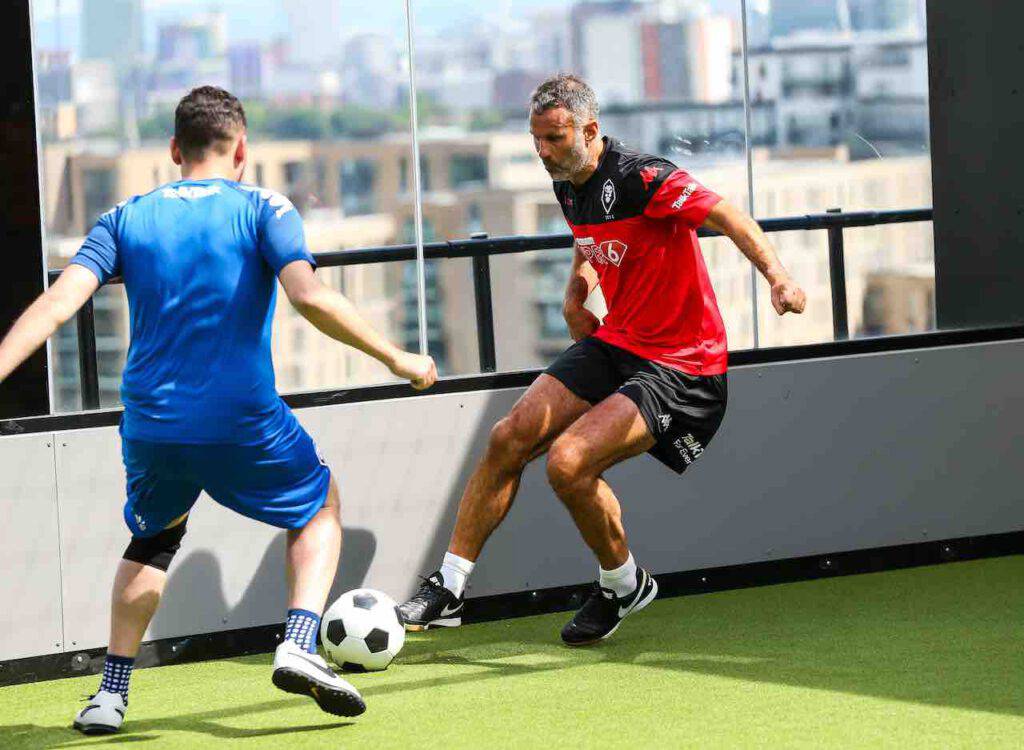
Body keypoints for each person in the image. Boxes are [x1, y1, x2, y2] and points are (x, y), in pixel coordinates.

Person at [0, 86, 437, 733]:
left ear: (175, 149)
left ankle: (111, 695)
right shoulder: (264, 206)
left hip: (151, 423)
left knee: (153, 540)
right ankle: (296, 641)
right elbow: (311, 298)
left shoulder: (125, 215)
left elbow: (60, 304)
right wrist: (399, 359)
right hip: (240, 419)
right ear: (242, 152)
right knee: (320, 505)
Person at [399, 73, 806, 646]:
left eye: (555, 139)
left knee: (567, 463)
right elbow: (590, 239)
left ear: (590, 130)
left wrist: (779, 277)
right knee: (508, 437)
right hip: (618, 342)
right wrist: (575, 289)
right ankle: (449, 587)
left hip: (683, 366)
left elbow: (729, 216)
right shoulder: (569, 183)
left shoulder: (644, 177)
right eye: (535, 140)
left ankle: (621, 584)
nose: (543, 151)